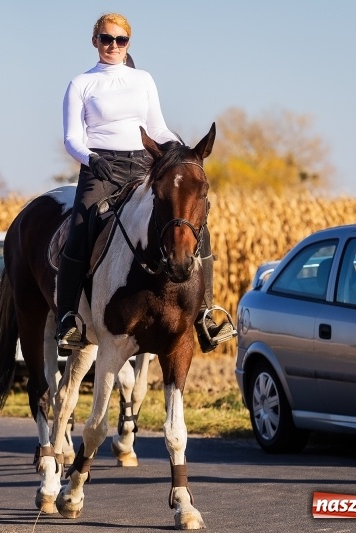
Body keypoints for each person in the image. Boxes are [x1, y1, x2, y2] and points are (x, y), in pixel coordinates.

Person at [56, 12, 236, 352]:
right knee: (81, 228)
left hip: (144, 164)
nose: (113, 45)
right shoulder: (81, 83)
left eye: (120, 40)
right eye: (106, 39)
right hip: (100, 168)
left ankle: (206, 314)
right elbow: (71, 138)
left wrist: (179, 149)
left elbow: (158, 128)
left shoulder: (143, 80)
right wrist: (91, 159)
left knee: (191, 223)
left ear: (128, 44)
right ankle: (68, 318)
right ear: (95, 42)